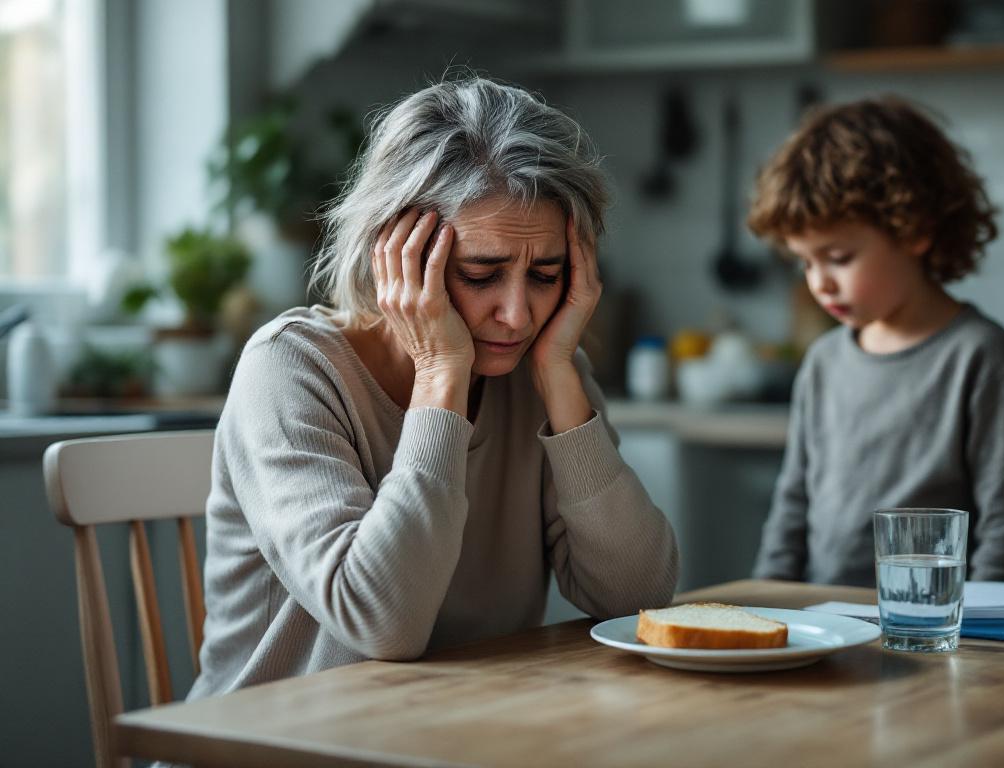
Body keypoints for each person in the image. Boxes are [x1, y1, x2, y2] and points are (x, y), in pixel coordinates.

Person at [186, 77, 679, 701]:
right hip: (270, 746)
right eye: (481, 274)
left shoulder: (540, 368)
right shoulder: (289, 369)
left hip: (452, 733)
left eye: (546, 275)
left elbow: (637, 598)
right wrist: (441, 371)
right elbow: (381, 620)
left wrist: (559, 373)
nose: (518, 316)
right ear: (393, 255)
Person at [747, 96, 1004, 586]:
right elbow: (792, 508)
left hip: (933, 634)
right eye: (805, 261)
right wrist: (767, 603)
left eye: (839, 257)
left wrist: (983, 641)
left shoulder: (983, 360)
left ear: (916, 231)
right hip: (824, 631)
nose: (818, 283)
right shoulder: (823, 362)